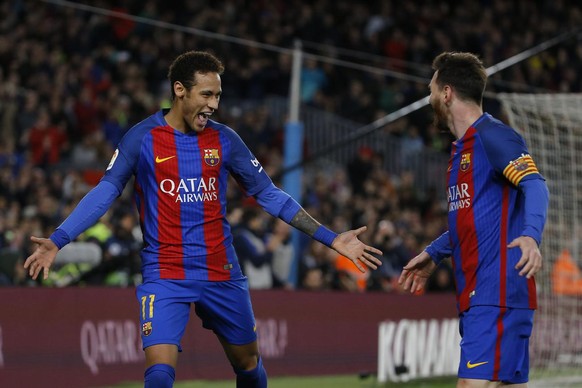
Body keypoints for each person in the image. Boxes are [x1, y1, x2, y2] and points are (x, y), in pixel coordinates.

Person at [24, 50, 383, 388]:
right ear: (179, 90)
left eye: (218, 96)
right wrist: (59, 239)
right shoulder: (142, 138)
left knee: (248, 365)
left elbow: (269, 194)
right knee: (160, 375)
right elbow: (106, 191)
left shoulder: (225, 140)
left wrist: (331, 238)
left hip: (220, 271)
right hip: (165, 272)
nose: (213, 105)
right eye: (207, 94)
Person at [398, 52, 549, 387]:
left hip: (497, 293)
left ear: (447, 93)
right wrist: (434, 253)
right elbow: (473, 218)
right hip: (482, 296)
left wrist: (531, 235)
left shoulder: (493, 136)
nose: (430, 97)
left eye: (432, 89)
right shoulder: (461, 150)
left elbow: (535, 184)